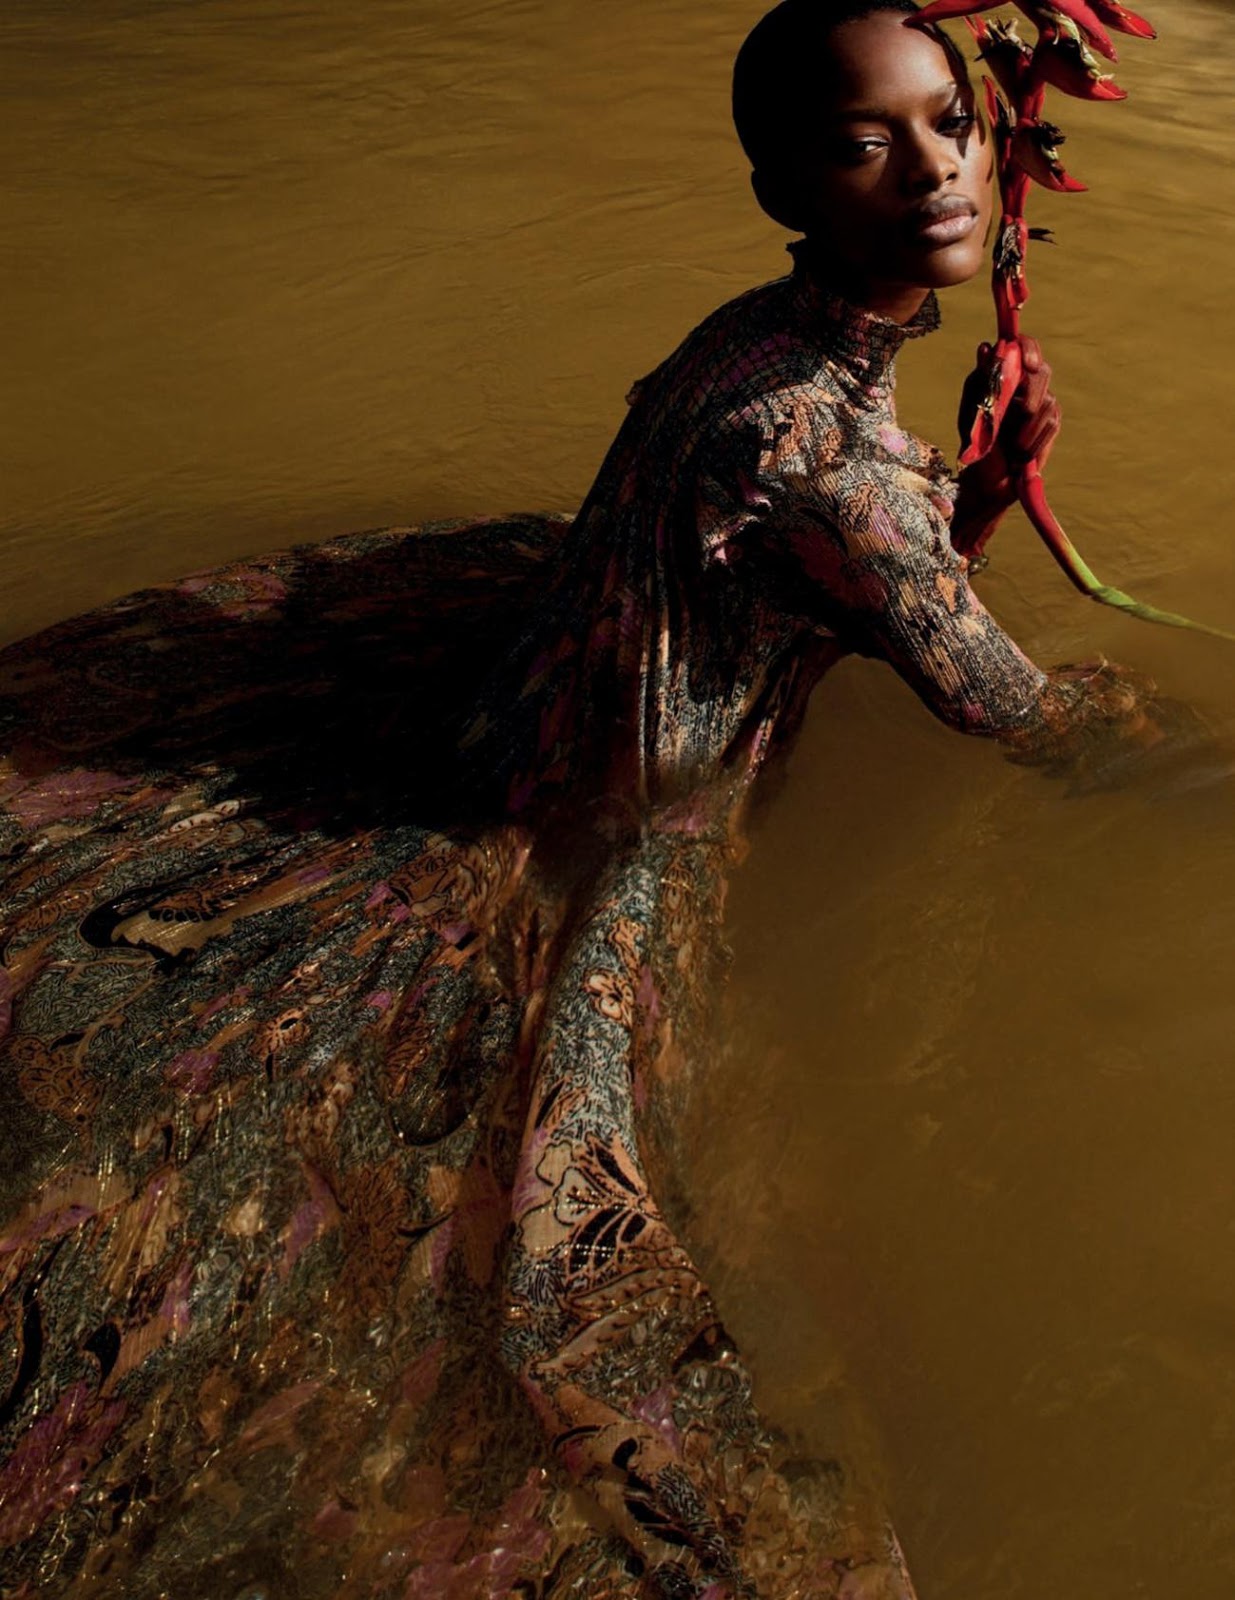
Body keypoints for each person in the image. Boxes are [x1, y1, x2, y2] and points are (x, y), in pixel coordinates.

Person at [0, 2, 1194, 1596]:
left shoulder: (764, 336)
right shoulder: (822, 449)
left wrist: (972, 491)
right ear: (787, 190)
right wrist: (1183, 755)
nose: (935, 171)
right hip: (617, 817)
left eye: (953, 124)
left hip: (540, 692)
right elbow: (1011, 711)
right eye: (866, 144)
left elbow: (842, 580)